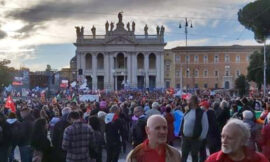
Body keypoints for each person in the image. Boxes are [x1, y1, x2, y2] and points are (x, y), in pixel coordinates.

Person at [181, 95, 209, 162]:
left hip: (195, 139)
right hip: (185, 138)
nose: (188, 102)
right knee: (184, 156)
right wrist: (181, 133)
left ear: (195, 101)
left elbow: (205, 126)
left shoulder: (201, 112)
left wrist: (201, 137)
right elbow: (183, 122)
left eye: (190, 100)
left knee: (194, 156)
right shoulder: (187, 111)